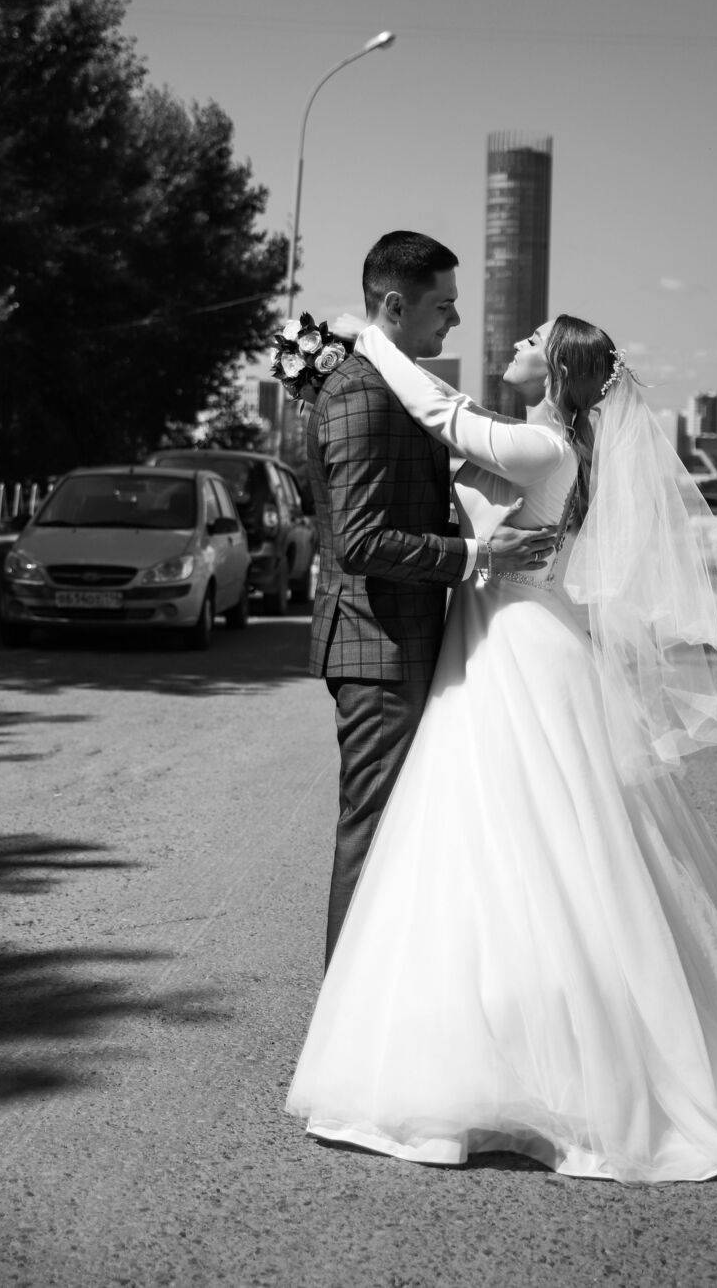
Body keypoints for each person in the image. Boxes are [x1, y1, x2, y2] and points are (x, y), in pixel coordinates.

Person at [288, 314, 717, 1194]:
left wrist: (367, 337)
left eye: (533, 340)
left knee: (541, 844)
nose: (516, 343)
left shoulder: (543, 447)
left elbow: (445, 415)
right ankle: (490, 1031)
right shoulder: (542, 439)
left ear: (555, 370)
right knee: (493, 844)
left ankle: (566, 1048)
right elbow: (451, 422)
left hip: (521, 645)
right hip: (498, 636)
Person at [306, 231, 555, 968]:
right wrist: (479, 554)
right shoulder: (362, 393)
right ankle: (345, 1004)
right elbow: (359, 541)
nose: (455, 319)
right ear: (394, 305)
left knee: (404, 831)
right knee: (375, 827)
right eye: (443, 306)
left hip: (402, 638)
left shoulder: (392, 383)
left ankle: (388, 989)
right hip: (378, 645)